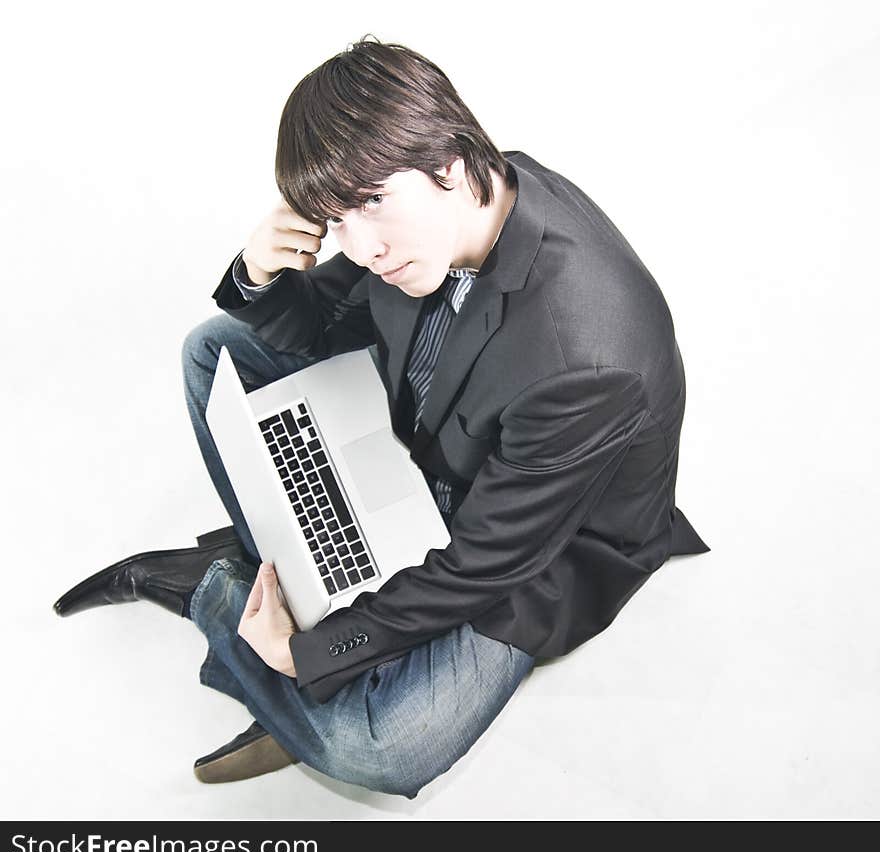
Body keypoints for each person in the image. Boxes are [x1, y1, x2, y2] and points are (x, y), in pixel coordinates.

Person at [54, 35, 710, 799]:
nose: (360, 247)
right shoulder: (437, 217)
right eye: (338, 218)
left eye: (369, 202)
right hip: (434, 438)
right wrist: (261, 272)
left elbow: (481, 566)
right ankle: (295, 577)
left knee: (381, 748)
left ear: (452, 166)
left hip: (530, 554)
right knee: (215, 352)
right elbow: (328, 322)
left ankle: (229, 594)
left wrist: (311, 654)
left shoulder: (589, 357)